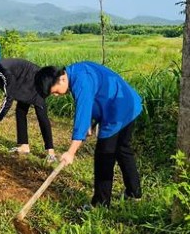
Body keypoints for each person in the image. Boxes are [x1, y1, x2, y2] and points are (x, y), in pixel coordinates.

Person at [35, 61, 143, 206]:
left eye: (54, 91)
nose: (55, 95)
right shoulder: (77, 71)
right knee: (123, 150)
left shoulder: (81, 80)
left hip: (118, 112)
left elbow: (82, 111)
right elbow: (98, 94)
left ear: (61, 78)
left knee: (103, 157)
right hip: (130, 104)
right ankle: (134, 193)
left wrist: (71, 152)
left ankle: (100, 204)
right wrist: (91, 122)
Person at [0, 56, 56, 161]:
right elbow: (10, 91)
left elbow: (9, 96)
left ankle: (50, 152)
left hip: (38, 83)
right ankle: (24, 146)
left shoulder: (4, 71)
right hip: (24, 85)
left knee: (41, 115)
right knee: (20, 111)